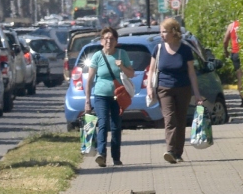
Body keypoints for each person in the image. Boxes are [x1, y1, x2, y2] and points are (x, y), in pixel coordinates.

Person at [146, 18, 203, 164]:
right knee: (170, 119)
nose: (161, 35)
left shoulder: (185, 50)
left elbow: (191, 73)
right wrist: (149, 88)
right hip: (164, 89)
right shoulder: (158, 49)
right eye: (161, 32)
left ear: (173, 32)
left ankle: (178, 153)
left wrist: (197, 94)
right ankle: (170, 150)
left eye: (164, 32)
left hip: (183, 89)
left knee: (180, 120)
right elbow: (151, 70)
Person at [83, 27, 134, 167]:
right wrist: (87, 101)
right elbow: (90, 79)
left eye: (111, 39)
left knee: (116, 126)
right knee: (103, 123)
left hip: (118, 96)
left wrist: (122, 66)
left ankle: (116, 158)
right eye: (106, 39)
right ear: (101, 41)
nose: (108, 41)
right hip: (101, 95)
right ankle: (101, 154)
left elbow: (131, 74)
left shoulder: (122, 54)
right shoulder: (97, 56)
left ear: (116, 41)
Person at [223, 19, 243, 107]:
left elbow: (225, 41)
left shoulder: (232, 25)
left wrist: (225, 51)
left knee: (240, 76)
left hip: (236, 53)